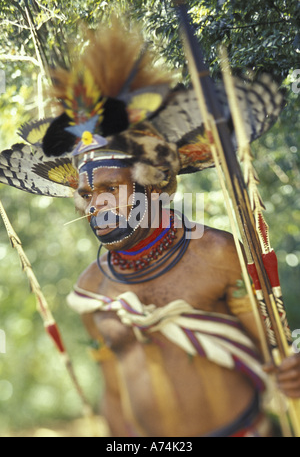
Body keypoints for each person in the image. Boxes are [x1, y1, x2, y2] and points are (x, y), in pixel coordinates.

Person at [2, 22, 300, 437]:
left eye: (110, 188)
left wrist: (293, 372)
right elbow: (114, 394)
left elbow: (277, 353)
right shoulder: (91, 292)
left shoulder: (215, 254)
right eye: (87, 194)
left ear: (152, 184)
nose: (96, 204)